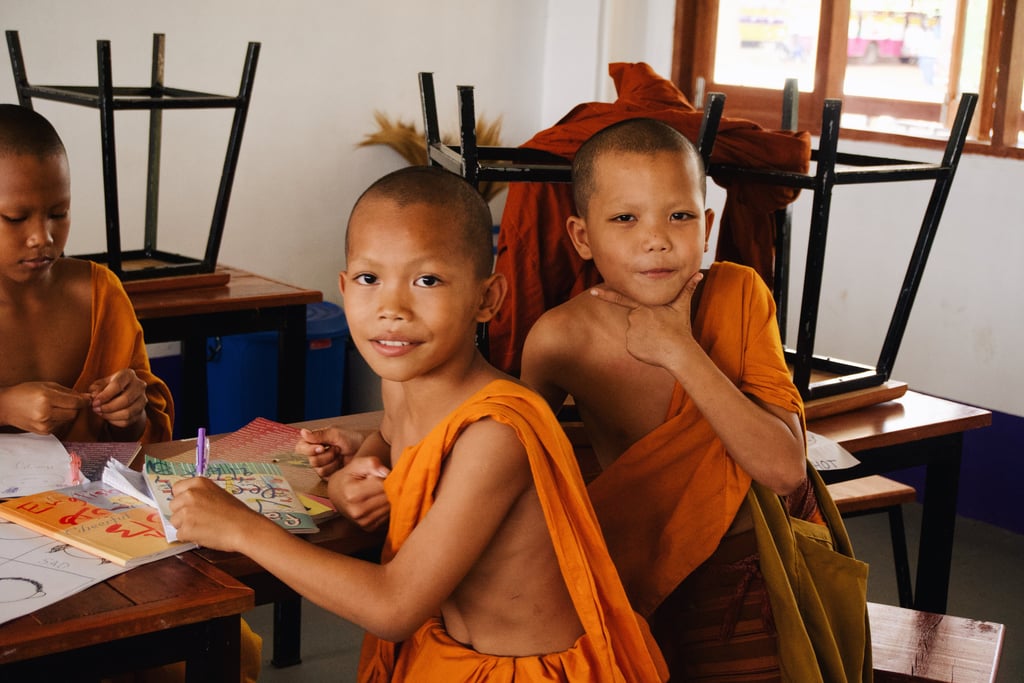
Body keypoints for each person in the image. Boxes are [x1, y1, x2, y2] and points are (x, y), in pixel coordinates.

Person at [169, 166, 667, 682]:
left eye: (427, 280)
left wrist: (241, 528)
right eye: (369, 279)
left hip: (527, 671)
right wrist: (360, 455)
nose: (392, 308)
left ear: (486, 300)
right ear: (344, 286)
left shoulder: (498, 432)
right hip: (452, 651)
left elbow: (394, 608)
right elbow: (399, 441)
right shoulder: (402, 384)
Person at [520, 118, 869, 681]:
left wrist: (681, 351)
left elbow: (783, 469)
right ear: (583, 237)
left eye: (679, 216)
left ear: (706, 226)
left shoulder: (738, 293)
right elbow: (508, 455)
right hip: (628, 577)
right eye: (625, 218)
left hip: (745, 579)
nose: (656, 238)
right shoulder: (562, 338)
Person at [0, 103, 173, 444]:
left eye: (58, 213)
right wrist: (4, 407)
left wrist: (131, 412)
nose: (43, 237)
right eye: (16, 217)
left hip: (88, 495)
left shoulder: (98, 294)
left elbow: (143, 437)